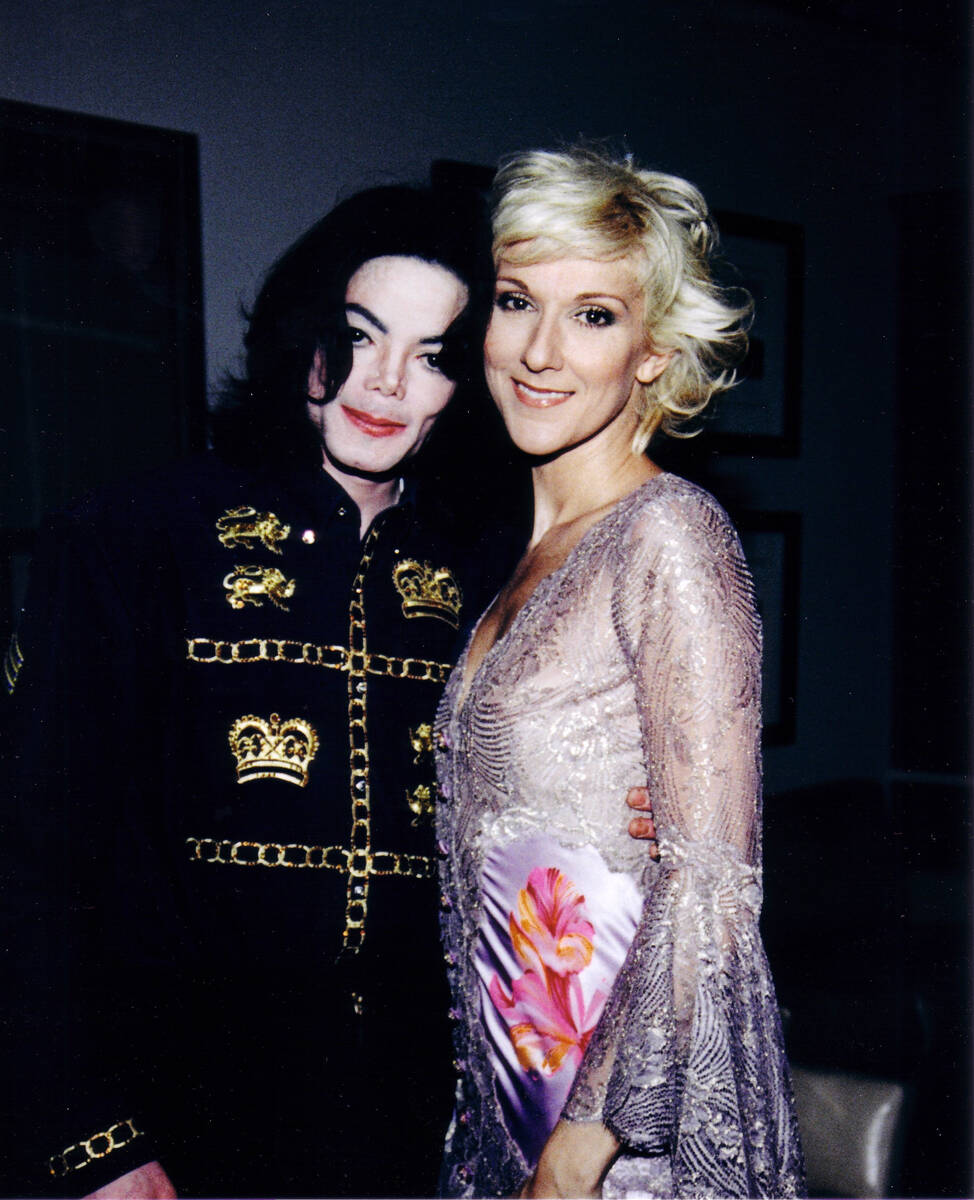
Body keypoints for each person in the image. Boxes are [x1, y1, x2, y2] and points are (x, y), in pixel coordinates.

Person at [1, 180, 658, 1200]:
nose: (385, 383)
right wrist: (93, 1137)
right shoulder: (130, 540)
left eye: (433, 357)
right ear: (300, 332)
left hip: (409, 1119)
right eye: (357, 335)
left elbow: (537, 811)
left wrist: (625, 809)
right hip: (168, 1109)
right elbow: (32, 858)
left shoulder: (493, 568)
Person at [434, 147, 806, 1198]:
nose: (540, 352)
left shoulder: (667, 535)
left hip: (604, 1149)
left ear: (649, 351)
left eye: (593, 315)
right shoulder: (525, 550)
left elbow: (711, 893)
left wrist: (581, 1151)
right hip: (500, 1113)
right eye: (517, 302)